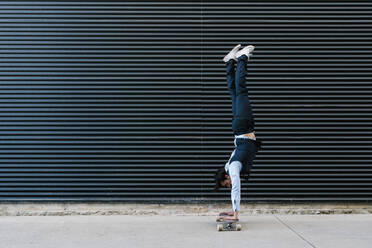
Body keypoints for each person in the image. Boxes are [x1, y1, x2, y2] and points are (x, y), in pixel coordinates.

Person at [213, 44, 262, 221]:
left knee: (241, 91)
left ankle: (242, 58)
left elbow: (236, 188)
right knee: (234, 93)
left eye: (226, 183)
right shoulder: (230, 164)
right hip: (240, 129)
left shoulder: (233, 167)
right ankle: (229, 62)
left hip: (243, 126)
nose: (230, 184)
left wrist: (235, 213)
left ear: (226, 176)